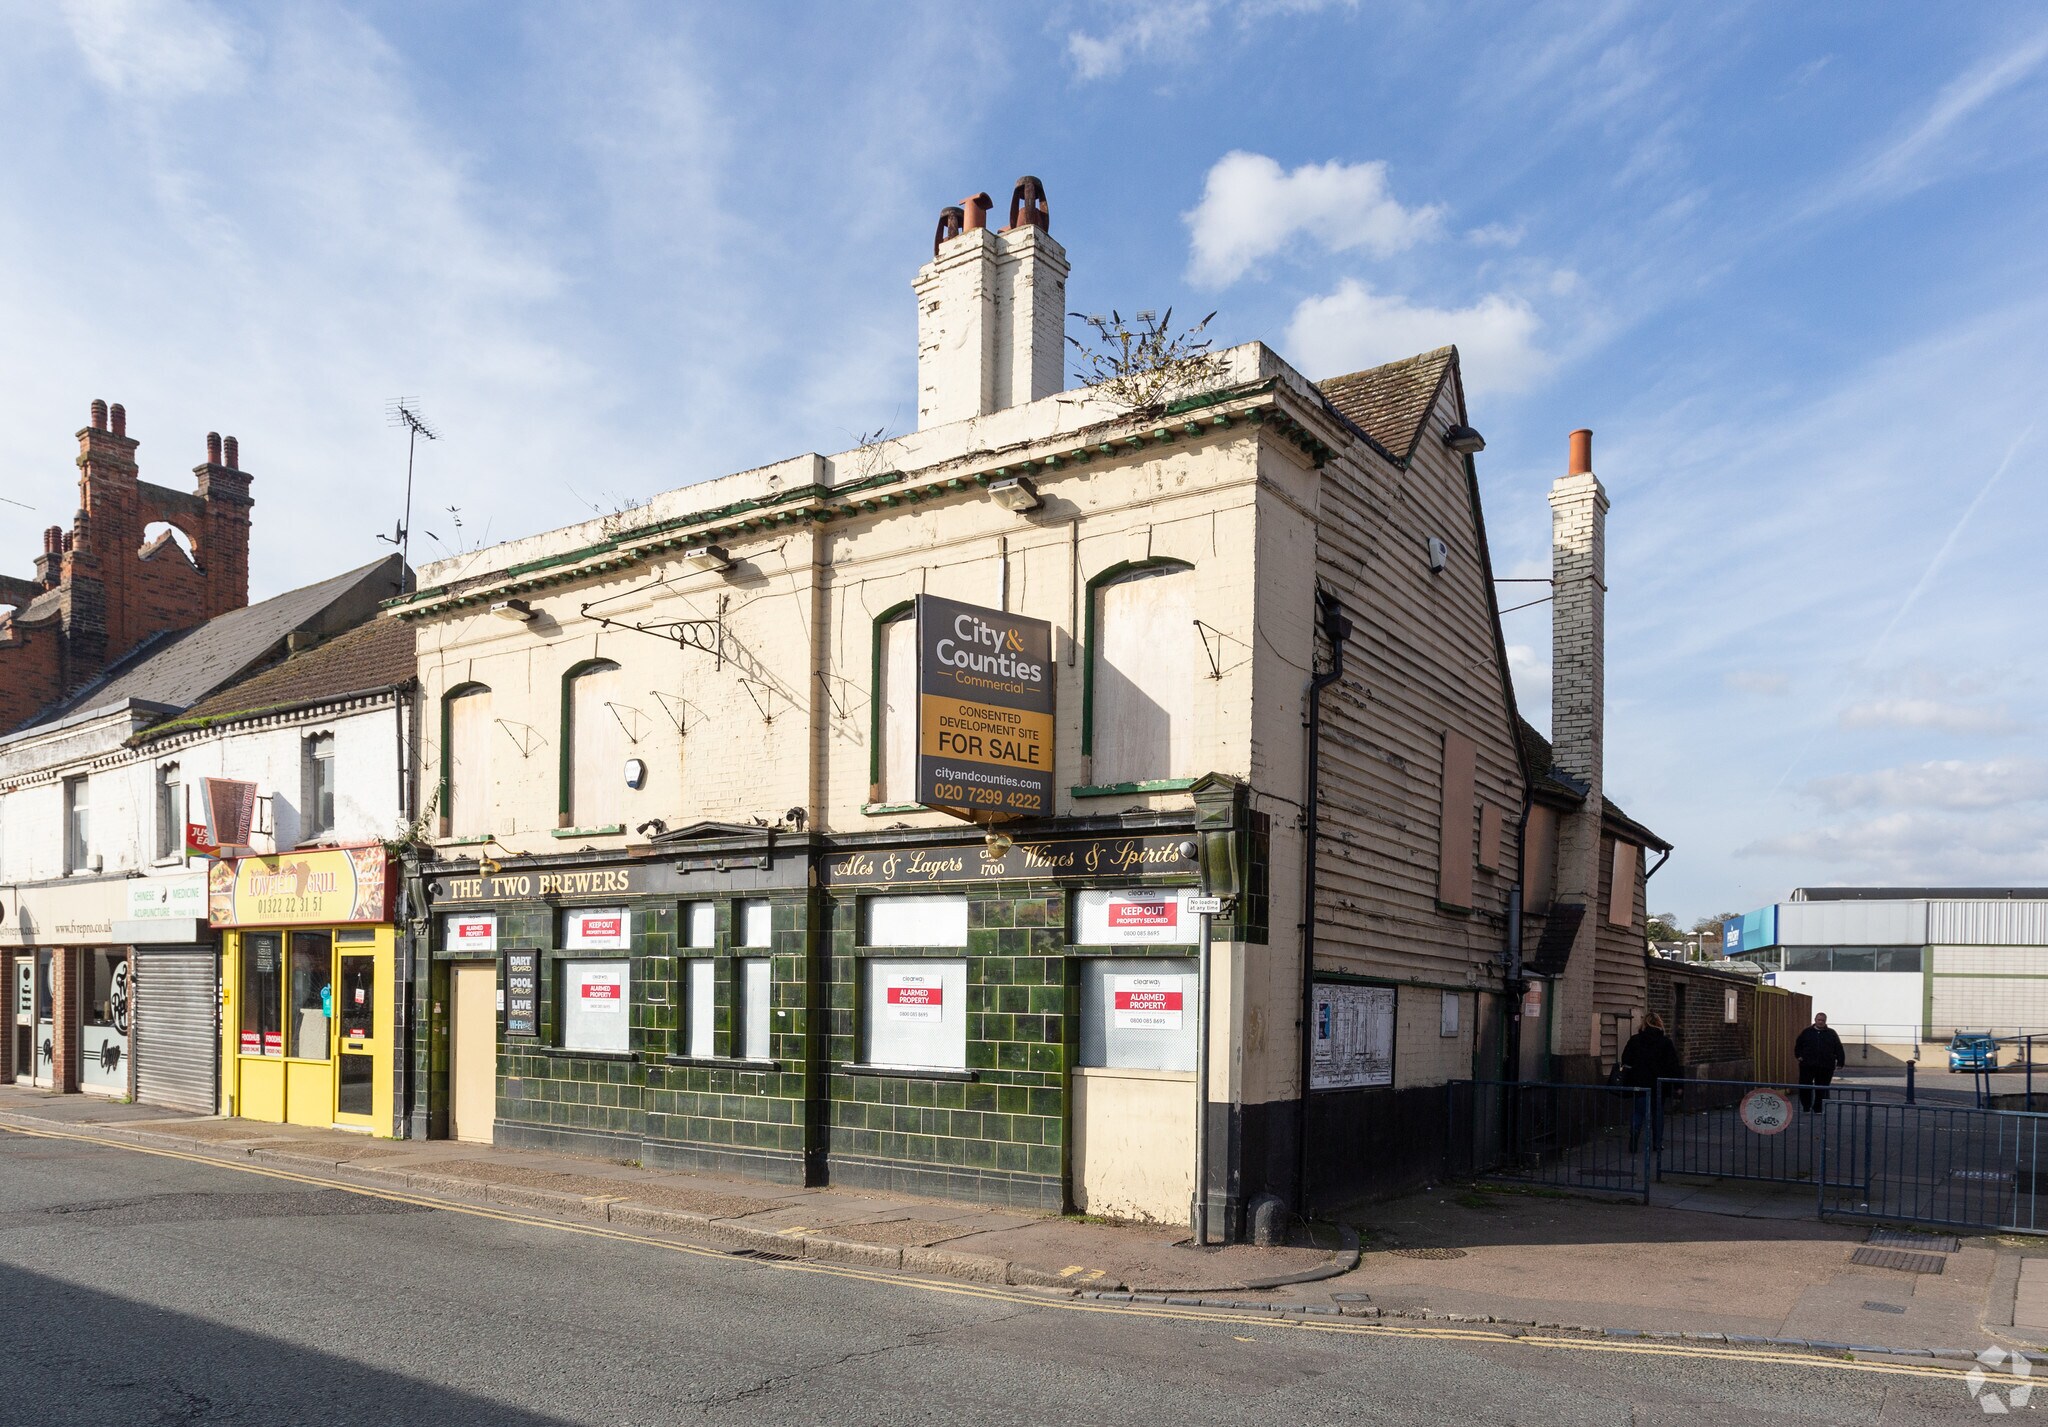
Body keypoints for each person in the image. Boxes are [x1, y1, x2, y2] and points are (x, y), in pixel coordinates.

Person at [1620, 1012, 1683, 1154]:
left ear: (1644, 1024)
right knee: (1657, 1114)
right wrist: (1679, 1085)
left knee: (1638, 1111)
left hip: (1639, 1083)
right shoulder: (1665, 1042)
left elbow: (1626, 1059)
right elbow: (1673, 1065)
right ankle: (1657, 1143)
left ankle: (1635, 1135)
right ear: (1659, 1024)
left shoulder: (1635, 1040)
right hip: (1658, 1085)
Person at [1794, 1011, 1846, 1111]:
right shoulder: (1807, 1032)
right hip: (1808, 1065)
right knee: (1805, 1086)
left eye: (1822, 1020)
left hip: (1825, 1066)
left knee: (1822, 1088)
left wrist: (1840, 1062)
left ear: (1825, 1021)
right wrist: (1799, 1056)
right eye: (1819, 1020)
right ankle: (1806, 1106)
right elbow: (1798, 1045)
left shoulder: (1831, 1033)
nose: (1820, 1022)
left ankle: (1818, 1108)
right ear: (1815, 1020)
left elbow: (1838, 1048)